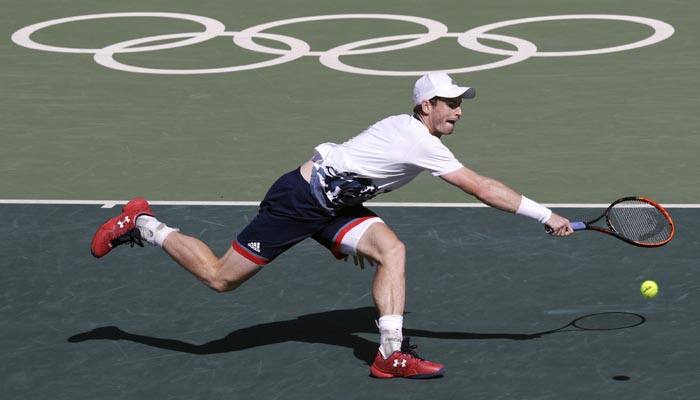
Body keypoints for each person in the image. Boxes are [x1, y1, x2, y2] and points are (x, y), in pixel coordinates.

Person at [91, 72, 573, 379]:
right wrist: (546, 215)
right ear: (425, 106)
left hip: (335, 204)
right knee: (220, 279)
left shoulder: (412, 131)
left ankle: (390, 355)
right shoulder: (419, 141)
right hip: (298, 203)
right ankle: (144, 223)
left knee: (392, 250)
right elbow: (483, 188)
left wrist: (340, 234)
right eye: (449, 102)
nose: (458, 110)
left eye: (460, 102)